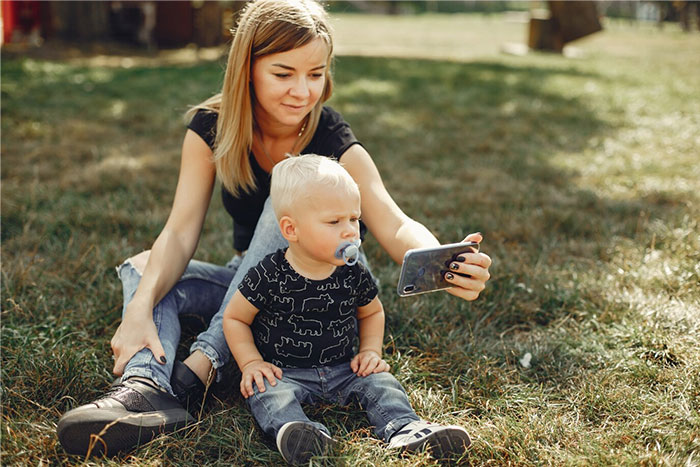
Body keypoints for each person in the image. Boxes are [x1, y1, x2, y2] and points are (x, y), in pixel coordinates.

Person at [56, 0, 491, 457]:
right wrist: (138, 309)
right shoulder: (212, 127)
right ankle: (145, 388)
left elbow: (394, 221)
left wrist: (445, 258)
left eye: (315, 73)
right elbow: (181, 233)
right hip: (254, 287)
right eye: (283, 74)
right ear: (248, 68)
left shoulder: (331, 139)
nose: (302, 91)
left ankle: (205, 363)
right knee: (143, 268)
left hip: (319, 288)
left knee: (284, 192)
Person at [224, 154, 472, 464]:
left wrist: (370, 352)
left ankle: (406, 429)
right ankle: (301, 433)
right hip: (285, 372)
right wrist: (250, 363)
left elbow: (372, 312)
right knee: (267, 393)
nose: (350, 231)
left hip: (345, 370)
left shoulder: (352, 273)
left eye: (354, 219)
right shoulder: (269, 273)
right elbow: (235, 318)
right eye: (334, 221)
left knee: (381, 383)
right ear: (291, 229)